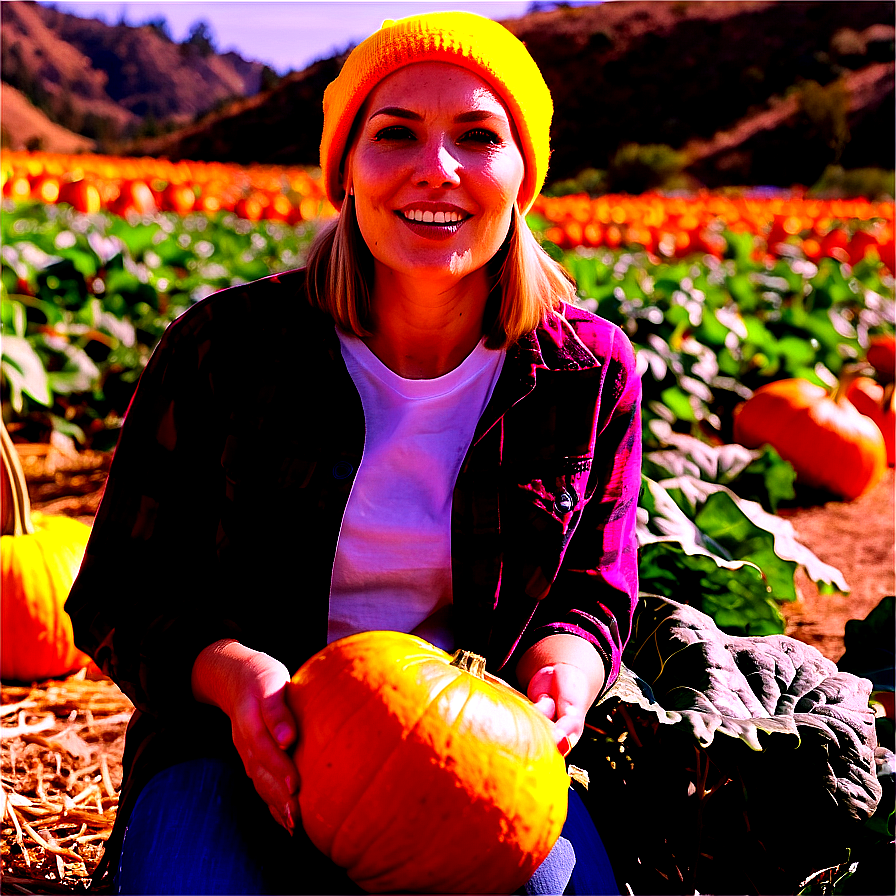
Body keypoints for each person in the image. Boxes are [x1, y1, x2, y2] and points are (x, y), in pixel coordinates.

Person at [65, 11, 641, 895]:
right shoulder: (226, 347)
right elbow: (117, 591)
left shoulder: (584, 371)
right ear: (347, 171)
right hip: (236, 751)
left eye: (479, 136)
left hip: (478, 764)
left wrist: (564, 666)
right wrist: (230, 677)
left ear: (522, 177)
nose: (435, 169)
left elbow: (592, 588)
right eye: (395, 133)